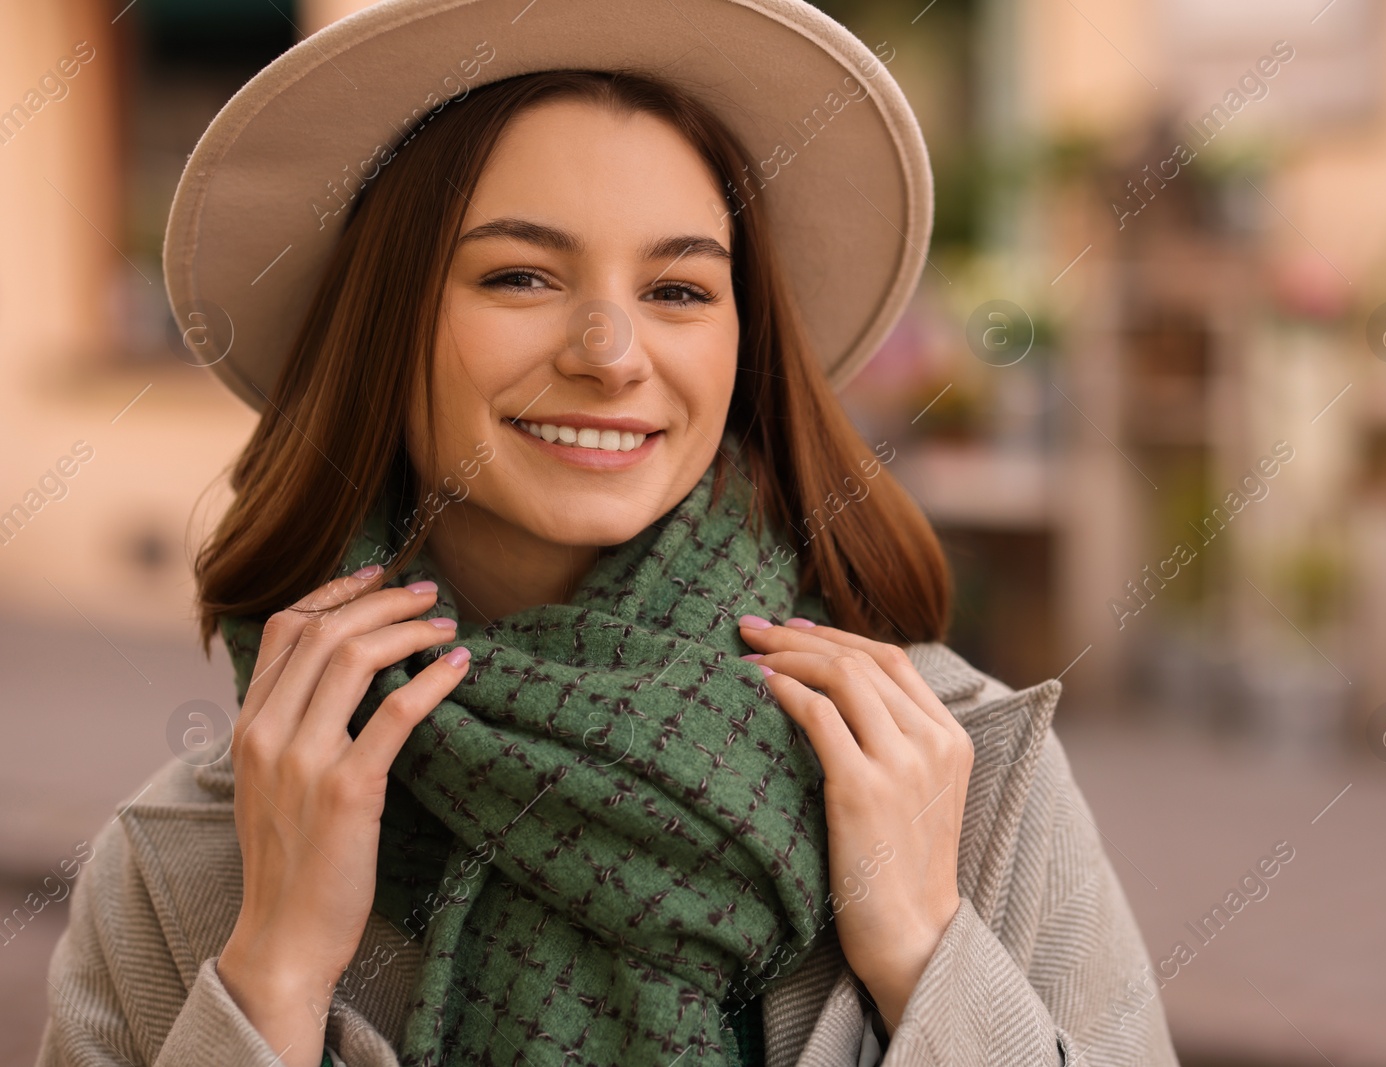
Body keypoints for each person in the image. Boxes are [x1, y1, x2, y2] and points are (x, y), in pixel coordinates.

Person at [35, 2, 1179, 1065]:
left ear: (743, 345)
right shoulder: (188, 858)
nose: (609, 353)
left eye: (679, 290)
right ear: (384, 329)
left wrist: (925, 951)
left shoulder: (955, 780)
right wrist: (273, 973)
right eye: (521, 275)